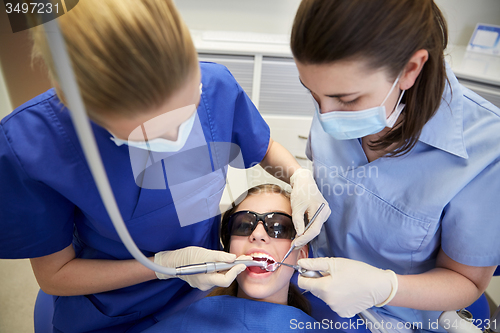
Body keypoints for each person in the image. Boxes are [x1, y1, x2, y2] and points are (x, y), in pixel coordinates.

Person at [0, 1, 330, 332]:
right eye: (151, 133)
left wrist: (299, 176)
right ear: (84, 109)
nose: (177, 137)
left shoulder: (215, 85)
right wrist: (161, 267)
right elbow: (55, 275)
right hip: (113, 308)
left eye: (190, 106)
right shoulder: (35, 146)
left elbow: (263, 146)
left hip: (204, 291)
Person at [289, 0, 500, 331]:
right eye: (314, 95)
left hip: (402, 317)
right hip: (314, 289)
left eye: (347, 100)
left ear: (410, 69)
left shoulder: (486, 150)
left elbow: (467, 282)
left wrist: (384, 287)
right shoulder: (335, 91)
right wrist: (304, 181)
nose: (326, 115)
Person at [141, 184, 323, 333]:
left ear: (302, 255)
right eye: (243, 225)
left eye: (278, 227)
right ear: (228, 249)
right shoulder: (184, 324)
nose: (258, 234)